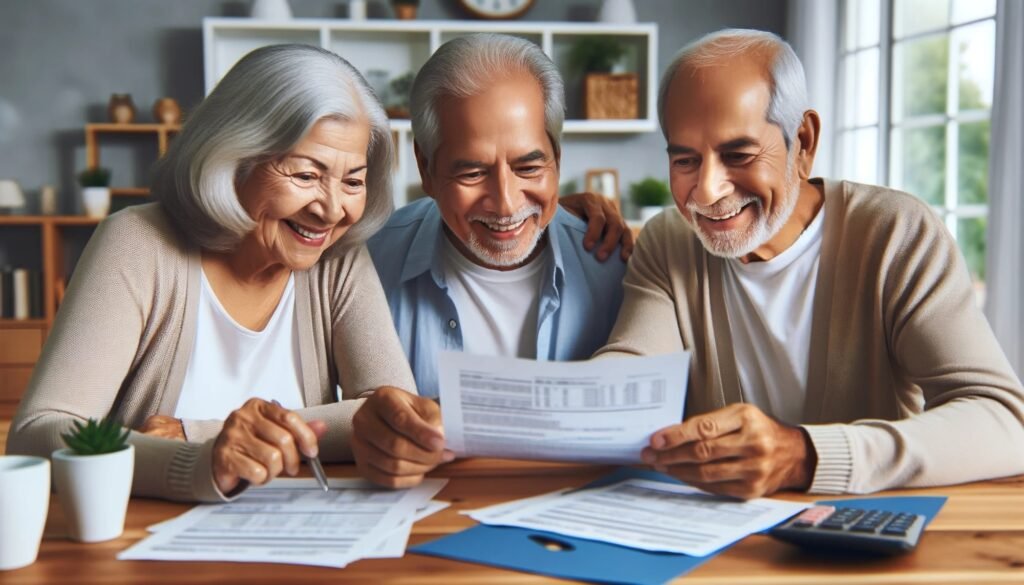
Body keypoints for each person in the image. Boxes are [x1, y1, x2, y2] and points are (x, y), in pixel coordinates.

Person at [596, 29, 1024, 498]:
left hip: (864, 545)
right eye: (685, 161)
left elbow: (1005, 421)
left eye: (738, 154)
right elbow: (629, 378)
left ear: (803, 141)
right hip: (717, 549)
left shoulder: (896, 233)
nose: (707, 192)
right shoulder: (669, 241)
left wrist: (803, 455)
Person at [7, 44, 446, 501]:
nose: (332, 210)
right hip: (143, 544)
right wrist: (199, 464)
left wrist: (198, 433)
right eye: (305, 175)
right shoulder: (137, 242)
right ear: (233, 157)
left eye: (353, 181)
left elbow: (392, 416)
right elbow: (41, 432)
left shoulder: (337, 259)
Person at [367, 34, 629, 403]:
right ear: (425, 168)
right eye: (472, 174)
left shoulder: (619, 268)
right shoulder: (369, 266)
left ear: (557, 158)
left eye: (529, 167)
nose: (506, 204)